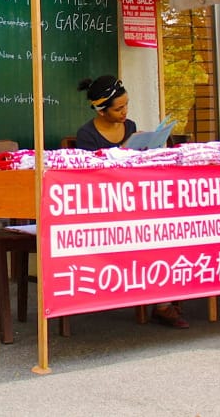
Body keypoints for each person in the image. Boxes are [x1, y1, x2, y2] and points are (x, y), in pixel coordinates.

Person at [74, 74, 190, 329]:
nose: (125, 112)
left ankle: (163, 300)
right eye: (118, 108)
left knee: (168, 227)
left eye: (126, 105)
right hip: (104, 207)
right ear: (102, 110)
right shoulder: (86, 135)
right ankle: (158, 301)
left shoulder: (131, 126)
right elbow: (87, 178)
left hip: (135, 200)